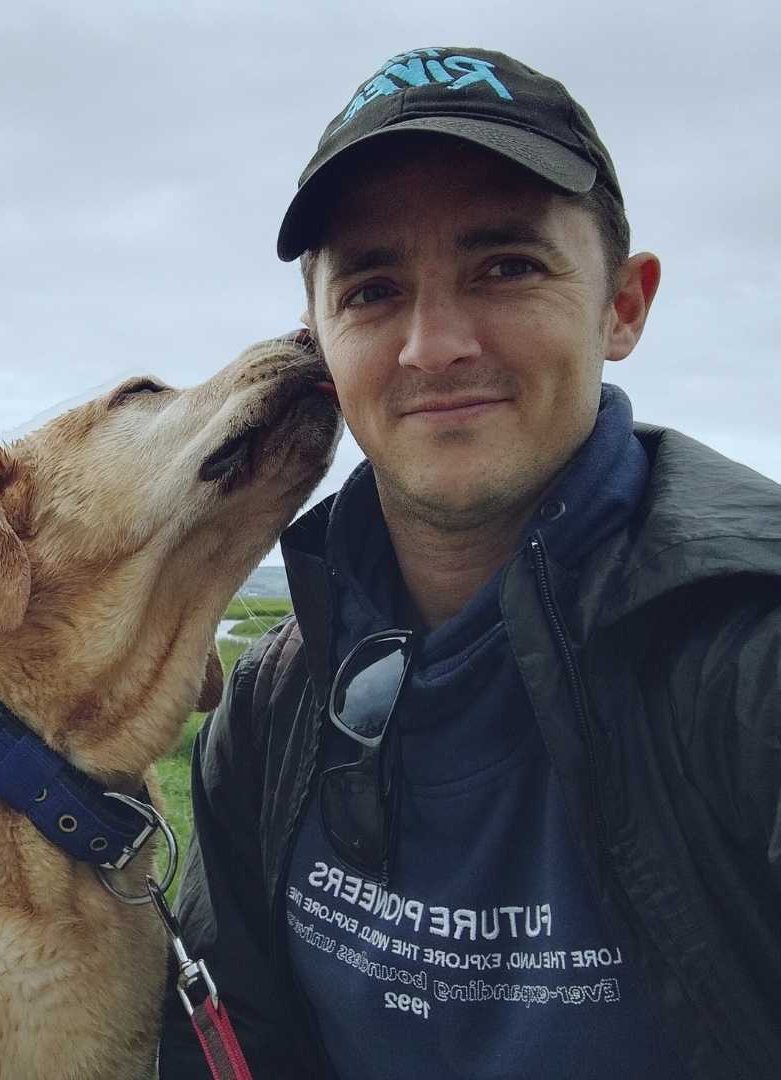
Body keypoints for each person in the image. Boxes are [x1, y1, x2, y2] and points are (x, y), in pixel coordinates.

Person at [158, 47, 781, 1079]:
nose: (434, 344)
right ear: (319, 338)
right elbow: (227, 1042)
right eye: (373, 288)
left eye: (506, 267)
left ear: (623, 306)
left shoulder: (750, 666)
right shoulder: (273, 707)